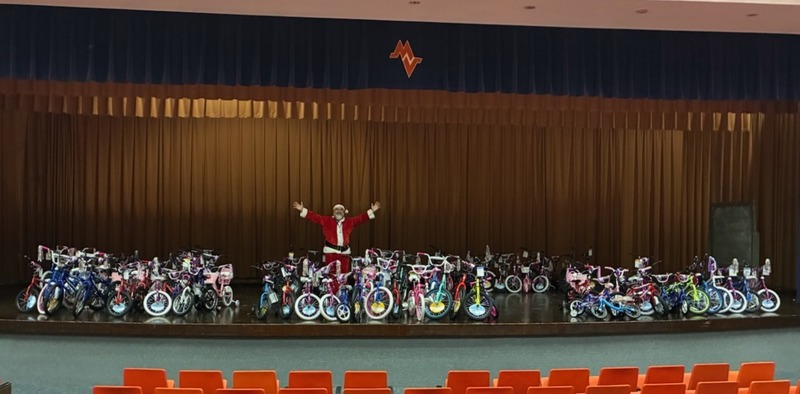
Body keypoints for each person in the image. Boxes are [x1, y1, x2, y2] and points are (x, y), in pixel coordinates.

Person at [292, 201, 381, 273]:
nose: (339, 211)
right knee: (331, 275)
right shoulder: (327, 220)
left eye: (341, 209)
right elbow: (314, 217)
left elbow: (361, 218)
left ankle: (342, 290)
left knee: (343, 275)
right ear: (333, 212)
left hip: (344, 254)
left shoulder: (350, 222)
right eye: (336, 209)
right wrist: (302, 209)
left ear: (344, 212)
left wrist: (372, 211)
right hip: (330, 253)